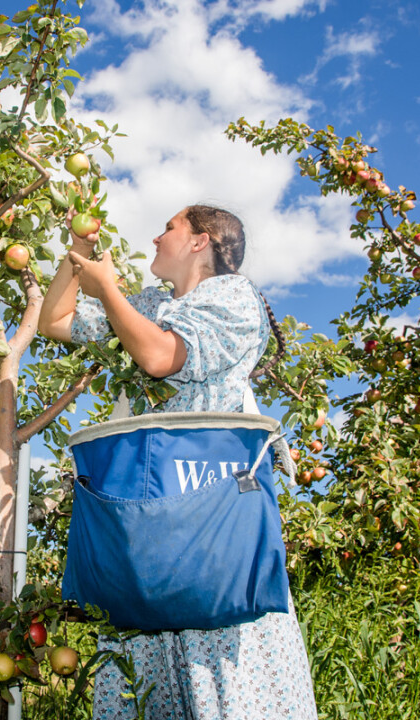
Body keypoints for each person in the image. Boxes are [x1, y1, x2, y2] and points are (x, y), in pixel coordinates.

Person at [38, 205, 317, 719]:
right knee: (146, 648)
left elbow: (162, 357)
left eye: (169, 227)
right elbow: (54, 321)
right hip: (153, 511)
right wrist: (78, 257)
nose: (156, 236)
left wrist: (111, 292)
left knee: (222, 676)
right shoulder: (151, 302)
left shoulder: (234, 297)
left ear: (200, 241)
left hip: (207, 511)